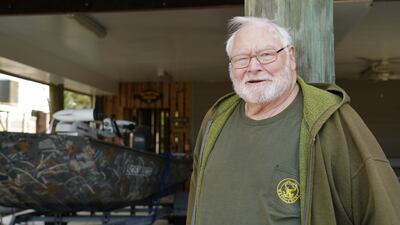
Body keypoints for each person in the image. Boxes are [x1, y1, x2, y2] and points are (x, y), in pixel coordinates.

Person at [187, 16, 400, 225]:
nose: (253, 67)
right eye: (241, 58)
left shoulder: (331, 119)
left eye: (266, 54)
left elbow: (384, 211)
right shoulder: (215, 119)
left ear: (290, 56)